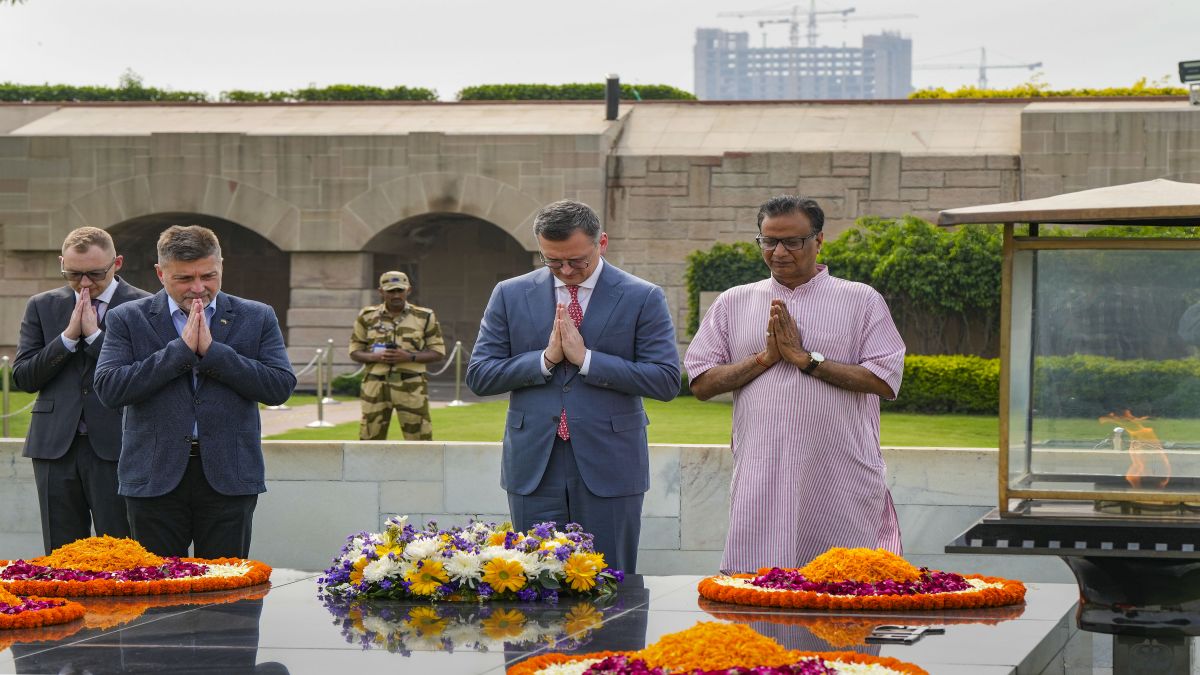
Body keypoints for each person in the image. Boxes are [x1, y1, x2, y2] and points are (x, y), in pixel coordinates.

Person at [684, 195, 906, 573]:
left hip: (839, 475)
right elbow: (701, 383)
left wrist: (807, 360)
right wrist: (764, 359)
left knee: (845, 590)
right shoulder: (734, 302)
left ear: (819, 241)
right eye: (768, 241)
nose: (779, 252)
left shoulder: (860, 299)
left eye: (793, 241)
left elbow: (885, 380)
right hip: (762, 475)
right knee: (756, 589)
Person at [466, 199, 680, 574]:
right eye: (552, 261)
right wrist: (545, 359)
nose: (565, 271)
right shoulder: (509, 293)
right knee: (532, 585)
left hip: (611, 465)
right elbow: (481, 375)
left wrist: (587, 361)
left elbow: (664, 379)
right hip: (533, 465)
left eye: (577, 261)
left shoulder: (642, 296)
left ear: (603, 243)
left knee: (611, 585)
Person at [94, 225, 295, 559]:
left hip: (229, 476)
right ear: (160, 273)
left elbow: (279, 387)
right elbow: (111, 389)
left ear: (221, 267)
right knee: (155, 599)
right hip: (152, 477)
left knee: (227, 598)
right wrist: (180, 352)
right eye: (184, 279)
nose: (199, 289)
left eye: (209, 276)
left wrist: (214, 353)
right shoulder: (127, 318)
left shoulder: (256, 316)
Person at [12, 227, 151, 554]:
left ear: (117, 263)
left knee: (119, 554)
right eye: (74, 274)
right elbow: (24, 378)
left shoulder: (144, 306)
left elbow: (141, 377)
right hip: (53, 448)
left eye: (95, 274)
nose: (85, 283)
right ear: (62, 263)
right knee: (60, 556)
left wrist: (93, 338)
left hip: (117, 446)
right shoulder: (41, 306)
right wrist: (67, 338)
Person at [349, 271, 446, 441]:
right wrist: (375, 357)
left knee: (419, 440)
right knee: (369, 439)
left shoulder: (424, 316)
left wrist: (408, 356)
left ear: (408, 290)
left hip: (411, 385)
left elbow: (438, 352)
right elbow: (355, 351)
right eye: (390, 291)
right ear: (381, 291)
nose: (395, 295)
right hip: (375, 385)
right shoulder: (367, 316)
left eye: (399, 290)